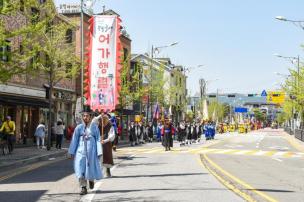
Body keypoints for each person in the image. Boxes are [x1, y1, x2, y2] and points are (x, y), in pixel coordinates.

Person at [68, 106, 103, 195]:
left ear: (90, 117)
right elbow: (74, 140)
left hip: (91, 152)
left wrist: (99, 152)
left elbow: (98, 139)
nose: (85, 117)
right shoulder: (78, 128)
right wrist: (71, 152)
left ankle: (91, 180)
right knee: (80, 169)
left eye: (87, 116)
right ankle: (83, 187)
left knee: (90, 168)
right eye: (83, 116)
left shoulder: (94, 127)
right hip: (80, 152)